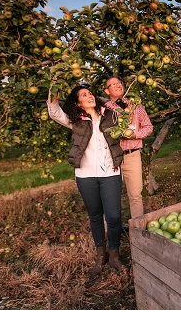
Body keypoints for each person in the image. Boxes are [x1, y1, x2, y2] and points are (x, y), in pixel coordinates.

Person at [47, 84, 126, 276]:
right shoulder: (76, 121)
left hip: (110, 173)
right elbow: (55, 112)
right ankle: (101, 256)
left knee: (114, 217)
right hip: (86, 175)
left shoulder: (109, 114)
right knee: (96, 216)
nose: (89, 96)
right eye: (84, 95)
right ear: (77, 102)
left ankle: (114, 255)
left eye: (90, 93)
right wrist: (54, 85)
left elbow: (127, 123)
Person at [103, 76, 154, 222]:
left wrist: (135, 135)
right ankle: (111, 230)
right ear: (107, 91)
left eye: (119, 82)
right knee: (109, 196)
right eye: (113, 84)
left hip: (132, 155)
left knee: (135, 195)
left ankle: (137, 229)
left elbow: (149, 127)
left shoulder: (136, 106)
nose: (118, 85)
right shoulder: (105, 109)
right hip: (111, 156)